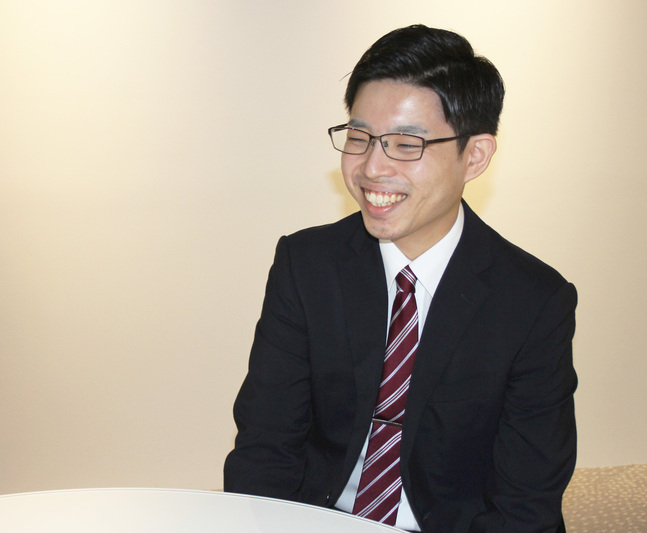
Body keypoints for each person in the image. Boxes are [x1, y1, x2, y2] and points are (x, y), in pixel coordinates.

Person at [224, 24, 578, 533]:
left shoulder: (532, 301)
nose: (372, 167)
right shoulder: (307, 265)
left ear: (475, 155)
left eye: (407, 144)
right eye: (359, 137)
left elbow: (526, 503)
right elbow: (265, 448)